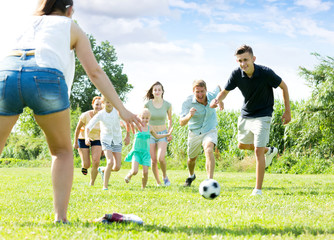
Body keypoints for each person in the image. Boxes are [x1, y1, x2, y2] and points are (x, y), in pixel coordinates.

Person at [0, 0, 141, 223]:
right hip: (45, 77)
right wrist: (122, 109)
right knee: (62, 152)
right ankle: (60, 218)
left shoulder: (24, 22)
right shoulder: (71, 26)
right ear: (69, 9)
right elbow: (94, 72)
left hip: (6, 74)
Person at [210, 45, 291, 196]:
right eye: (240, 61)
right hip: (246, 114)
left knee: (257, 150)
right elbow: (225, 91)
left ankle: (257, 190)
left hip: (263, 114)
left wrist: (288, 111)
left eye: (246, 60)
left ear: (253, 59)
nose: (243, 64)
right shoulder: (236, 74)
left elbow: (284, 87)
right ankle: (270, 151)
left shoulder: (265, 73)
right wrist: (216, 100)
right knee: (242, 145)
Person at [179, 80, 222, 187]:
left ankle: (210, 181)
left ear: (206, 90)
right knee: (191, 159)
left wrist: (220, 100)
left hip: (209, 129)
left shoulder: (212, 95)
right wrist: (189, 115)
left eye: (202, 91)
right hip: (195, 132)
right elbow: (181, 123)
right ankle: (191, 175)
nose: (200, 94)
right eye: (197, 92)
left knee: (208, 149)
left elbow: (219, 88)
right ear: (193, 92)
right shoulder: (187, 102)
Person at [85, 96, 130, 190]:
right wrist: (86, 137)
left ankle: (102, 169)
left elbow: (126, 122)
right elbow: (89, 126)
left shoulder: (117, 112)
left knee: (117, 167)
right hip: (106, 140)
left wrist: (128, 135)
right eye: (107, 102)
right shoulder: (100, 114)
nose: (109, 104)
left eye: (111, 102)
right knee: (110, 162)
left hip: (117, 140)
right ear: (103, 103)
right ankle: (105, 186)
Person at [124, 108, 173, 189]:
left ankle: (143, 187)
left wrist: (167, 135)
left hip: (146, 153)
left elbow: (157, 136)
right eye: (143, 117)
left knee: (146, 172)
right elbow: (128, 125)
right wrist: (127, 135)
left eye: (147, 118)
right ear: (139, 117)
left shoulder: (150, 128)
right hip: (136, 152)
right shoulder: (137, 126)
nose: (145, 120)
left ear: (149, 118)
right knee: (135, 171)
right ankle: (129, 175)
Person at [144, 82, 173, 186]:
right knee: (153, 160)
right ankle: (158, 182)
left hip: (163, 133)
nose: (157, 91)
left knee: (161, 158)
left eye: (159, 89)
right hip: (150, 134)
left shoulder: (167, 105)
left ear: (162, 91)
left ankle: (165, 176)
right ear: (152, 91)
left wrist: (169, 132)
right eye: (155, 90)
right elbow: (143, 118)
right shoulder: (147, 105)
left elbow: (170, 120)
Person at [73, 96, 103, 185]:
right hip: (83, 138)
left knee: (96, 161)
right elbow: (77, 129)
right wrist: (75, 142)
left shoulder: (104, 116)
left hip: (97, 139)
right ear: (93, 104)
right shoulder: (85, 115)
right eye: (97, 104)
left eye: (101, 105)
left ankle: (92, 182)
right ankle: (84, 167)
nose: (99, 107)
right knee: (87, 164)